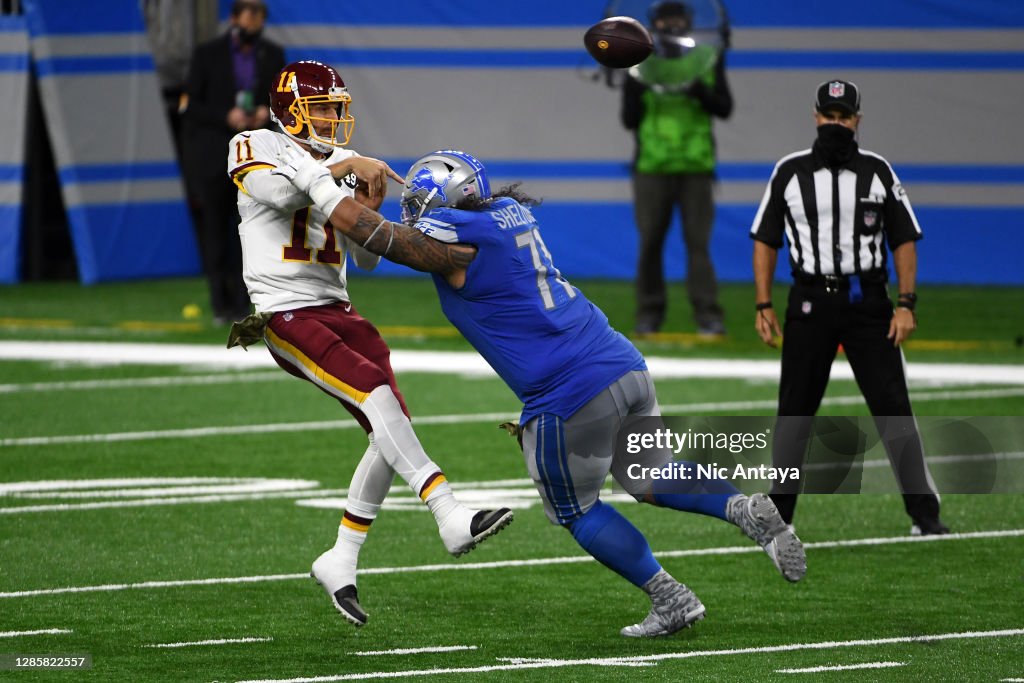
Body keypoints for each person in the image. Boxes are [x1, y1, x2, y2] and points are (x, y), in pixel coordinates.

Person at [269, 146, 807, 638]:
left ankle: (671, 598)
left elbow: (381, 237)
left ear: (441, 199)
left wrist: (316, 177)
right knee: (651, 473)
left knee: (577, 509)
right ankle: (743, 509)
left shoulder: (457, 242)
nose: (411, 209)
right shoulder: (508, 215)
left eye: (417, 199)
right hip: (619, 361)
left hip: (566, 391)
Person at [224, 61, 514, 628]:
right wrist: (335, 173)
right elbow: (275, 194)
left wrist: (367, 209)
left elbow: (364, 258)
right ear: (291, 111)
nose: (335, 120)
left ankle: (342, 557)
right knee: (378, 396)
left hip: (339, 308)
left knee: (390, 428)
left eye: (338, 109)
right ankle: (448, 511)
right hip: (284, 311)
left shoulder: (332, 162)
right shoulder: (254, 143)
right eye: (325, 109)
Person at [750, 79, 949, 536]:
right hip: (809, 301)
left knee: (893, 409)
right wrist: (763, 303)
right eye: (829, 116)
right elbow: (765, 238)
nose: (836, 125)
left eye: (844, 117)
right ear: (815, 117)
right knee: (794, 412)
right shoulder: (789, 171)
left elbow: (903, 238)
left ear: (857, 120)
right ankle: (779, 519)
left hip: (868, 302)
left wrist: (906, 303)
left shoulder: (878, 172)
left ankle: (925, 514)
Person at [621, 0, 733, 336]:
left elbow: (724, 108)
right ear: (654, 24)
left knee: (698, 243)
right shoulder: (639, 63)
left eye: (678, 17)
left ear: (687, 21)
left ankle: (708, 316)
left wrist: (700, 90)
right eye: (665, 18)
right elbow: (629, 119)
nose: (672, 24)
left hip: (696, 166)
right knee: (650, 243)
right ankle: (649, 316)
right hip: (652, 167)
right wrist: (639, 88)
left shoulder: (706, 59)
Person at [182, 0, 285, 325]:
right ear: (235, 17)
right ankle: (219, 303)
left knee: (250, 229)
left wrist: (263, 114)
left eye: (260, 14)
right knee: (214, 228)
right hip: (215, 154)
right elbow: (190, 105)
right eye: (250, 13)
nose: (256, 20)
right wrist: (225, 115)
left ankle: (244, 302)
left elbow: (283, 103)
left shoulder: (272, 53)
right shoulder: (207, 53)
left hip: (255, 157)